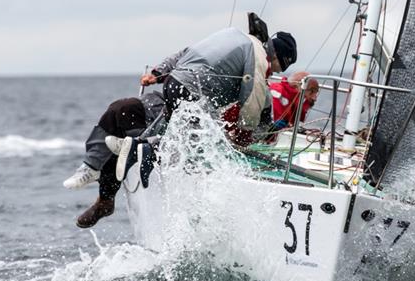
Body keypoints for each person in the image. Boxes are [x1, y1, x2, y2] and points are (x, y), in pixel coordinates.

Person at [115, 27, 297, 182]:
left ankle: (136, 147)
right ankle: (144, 151)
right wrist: (242, 137)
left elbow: (185, 52)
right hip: (193, 91)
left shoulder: (233, 35)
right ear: (275, 57)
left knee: (178, 136)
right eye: (274, 69)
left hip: (174, 82)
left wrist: (159, 72)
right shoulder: (259, 57)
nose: (270, 72)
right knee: (205, 146)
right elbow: (252, 102)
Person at [63, 91, 165, 228]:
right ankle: (99, 185)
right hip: (165, 103)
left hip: (188, 113)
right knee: (123, 108)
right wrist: (159, 71)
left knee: (123, 143)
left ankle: (133, 147)